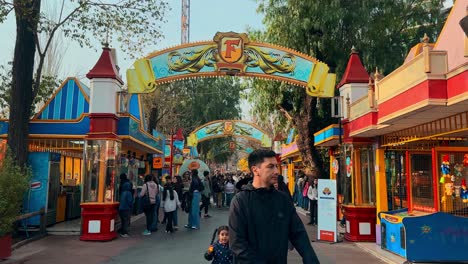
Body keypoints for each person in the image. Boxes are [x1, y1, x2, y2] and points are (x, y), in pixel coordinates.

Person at [229, 149, 320, 264]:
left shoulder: (283, 199)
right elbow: (237, 244)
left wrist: (310, 258)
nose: (277, 171)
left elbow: (298, 233)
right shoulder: (240, 201)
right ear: (255, 170)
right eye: (270, 166)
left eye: (276, 166)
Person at [118, 173, 133, 238]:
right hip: (126, 208)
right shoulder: (129, 193)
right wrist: (131, 206)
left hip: (121, 208)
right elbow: (130, 201)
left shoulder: (123, 192)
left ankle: (122, 230)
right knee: (126, 220)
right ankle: (124, 232)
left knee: (123, 220)